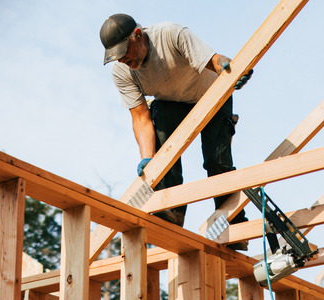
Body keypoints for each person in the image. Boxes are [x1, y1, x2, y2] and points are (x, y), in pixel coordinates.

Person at [99, 13, 251, 249]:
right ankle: (170, 211)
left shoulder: (170, 35)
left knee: (216, 161)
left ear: (137, 36)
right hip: (171, 104)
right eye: (116, 57)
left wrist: (230, 69)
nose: (121, 61)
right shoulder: (122, 72)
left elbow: (214, 60)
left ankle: (232, 224)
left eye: (123, 53)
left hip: (211, 95)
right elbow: (140, 116)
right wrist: (148, 159)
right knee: (160, 126)